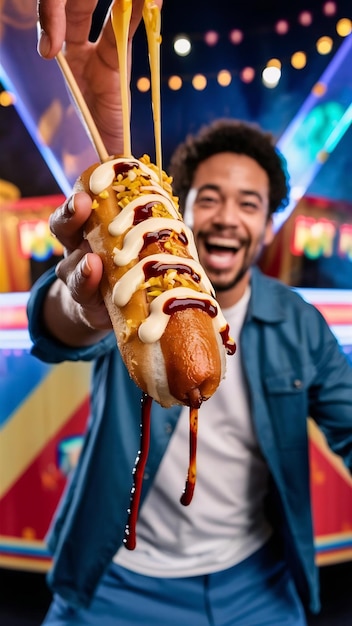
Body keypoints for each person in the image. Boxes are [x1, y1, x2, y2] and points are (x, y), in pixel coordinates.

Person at [29, 1, 352, 624]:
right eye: (211, 197)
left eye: (250, 203)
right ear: (183, 209)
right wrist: (83, 304)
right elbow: (56, 328)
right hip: (114, 583)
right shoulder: (131, 296)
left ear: (266, 223)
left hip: (256, 582)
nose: (229, 217)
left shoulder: (299, 321)